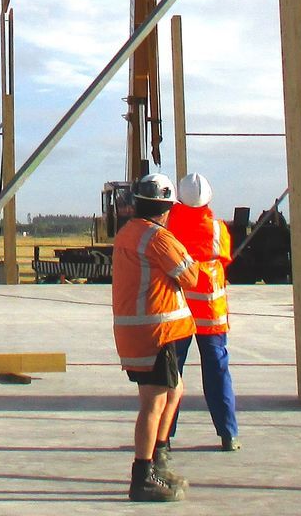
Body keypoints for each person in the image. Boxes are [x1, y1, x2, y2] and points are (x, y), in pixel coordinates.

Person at [111, 172, 204, 503]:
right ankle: (144, 474)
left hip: (139, 331)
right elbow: (191, 276)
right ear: (166, 208)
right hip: (155, 333)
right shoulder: (158, 238)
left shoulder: (128, 233)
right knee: (154, 401)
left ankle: (159, 455)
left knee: (175, 389)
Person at [166, 173, 239, 451]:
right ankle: (228, 434)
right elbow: (224, 259)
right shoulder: (219, 229)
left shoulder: (169, 226)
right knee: (218, 371)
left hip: (179, 310)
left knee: (172, 373)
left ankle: (164, 436)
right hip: (211, 311)